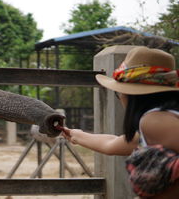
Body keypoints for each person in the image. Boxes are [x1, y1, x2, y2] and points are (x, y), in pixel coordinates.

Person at [60, 46, 179, 198]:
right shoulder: (154, 126)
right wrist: (76, 135)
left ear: (130, 93)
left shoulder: (153, 122)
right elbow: (112, 144)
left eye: (118, 92)